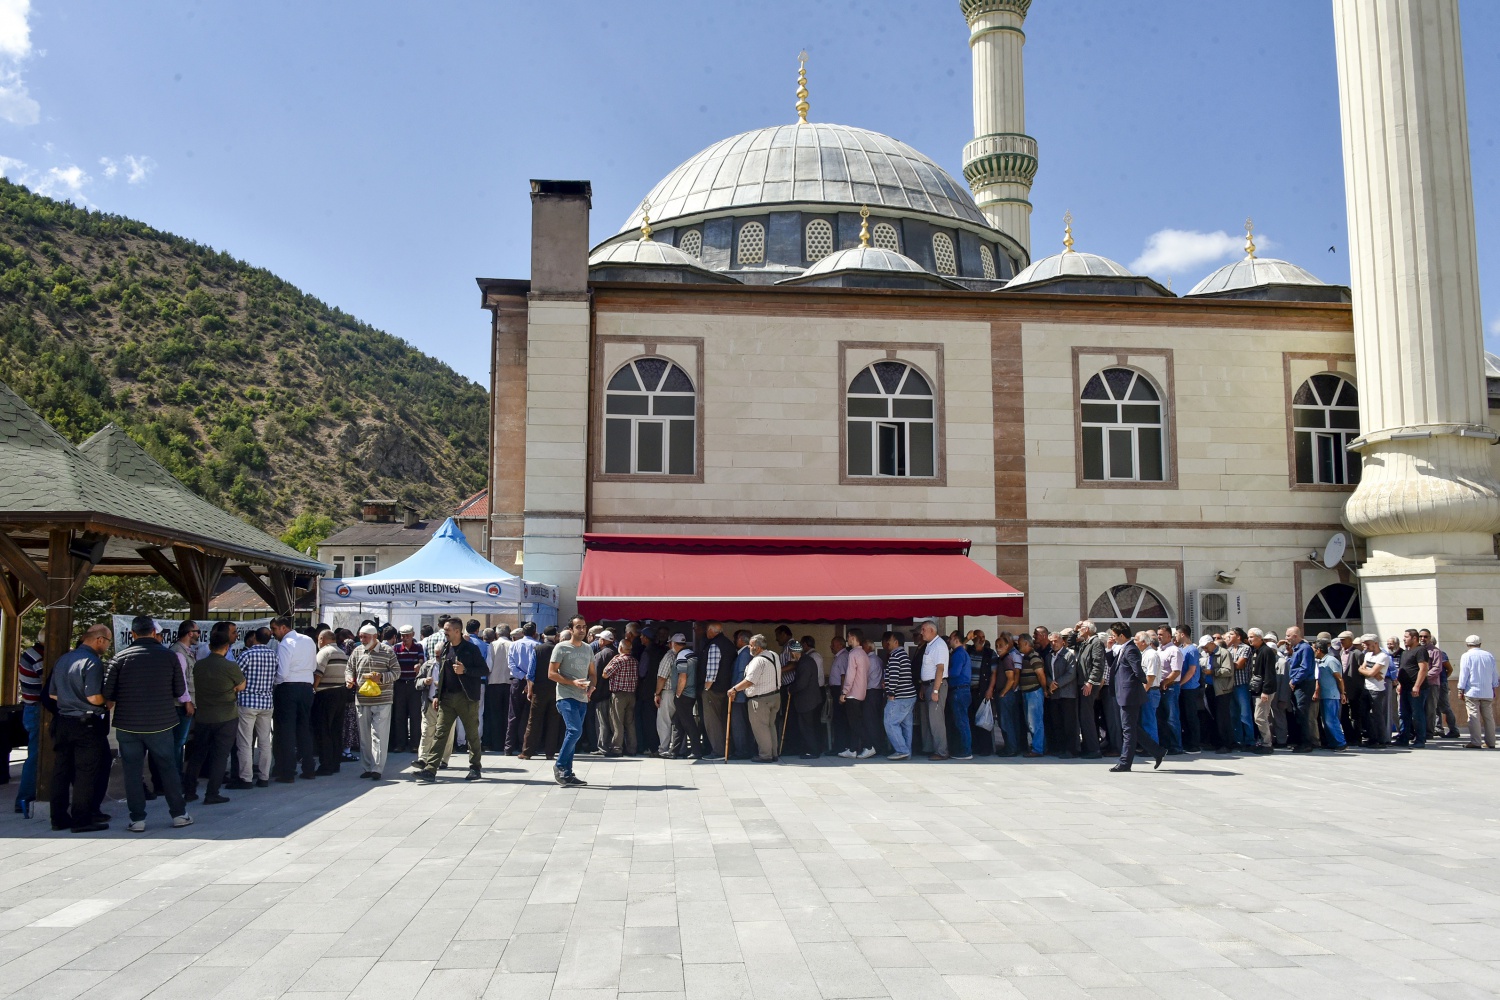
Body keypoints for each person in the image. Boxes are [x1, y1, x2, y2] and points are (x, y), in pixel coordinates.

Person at [104, 616, 193, 832]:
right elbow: (179, 691)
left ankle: (137, 819)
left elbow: (108, 694)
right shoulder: (169, 657)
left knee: (132, 773)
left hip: (127, 724)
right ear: (154, 632)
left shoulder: (119, 658)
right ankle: (179, 814)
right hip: (161, 722)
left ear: (133, 634)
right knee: (168, 768)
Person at [47, 624, 112, 833]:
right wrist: (106, 703)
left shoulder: (63, 659)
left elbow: (53, 695)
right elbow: (93, 696)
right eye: (108, 642)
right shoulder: (92, 662)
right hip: (86, 723)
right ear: (99, 639)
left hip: (63, 720)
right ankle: (81, 819)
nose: (107, 647)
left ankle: (57, 818)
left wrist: (70, 701)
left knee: (61, 771)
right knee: (86, 772)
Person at [415, 617, 489, 783]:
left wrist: (466, 670)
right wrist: (437, 696)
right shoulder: (446, 648)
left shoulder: (471, 649)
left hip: (467, 698)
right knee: (440, 734)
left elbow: (484, 670)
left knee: (471, 735)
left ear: (457, 631)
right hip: (447, 699)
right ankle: (430, 769)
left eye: (447, 630)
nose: (445, 633)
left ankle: (475, 768)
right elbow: (442, 675)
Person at [182, 621, 246, 805]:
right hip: (226, 716)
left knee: (198, 754)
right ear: (227, 646)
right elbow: (241, 685)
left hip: (203, 716)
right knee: (220, 756)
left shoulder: (199, 665)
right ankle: (212, 793)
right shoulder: (230, 667)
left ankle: (189, 790)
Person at [345, 623, 400, 779]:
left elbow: (396, 672)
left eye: (365, 637)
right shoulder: (357, 651)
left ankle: (377, 768)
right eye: (360, 636)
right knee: (365, 736)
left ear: (375, 637)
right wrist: (349, 679)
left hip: (382, 700)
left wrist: (381, 677)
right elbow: (349, 668)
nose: (361, 639)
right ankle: (367, 767)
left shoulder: (387, 651)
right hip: (362, 700)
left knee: (379, 735)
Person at [270, 616, 317, 782]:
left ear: (283, 628)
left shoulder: (285, 644)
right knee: (304, 729)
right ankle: (309, 768)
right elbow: (313, 665)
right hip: (306, 686)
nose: (273, 634)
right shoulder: (308, 640)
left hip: (288, 687)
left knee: (286, 731)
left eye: (275, 629)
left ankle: (287, 772)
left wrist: (274, 683)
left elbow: (282, 673)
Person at [227, 628, 276, 789]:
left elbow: (235, 676)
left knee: (245, 742)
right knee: (264, 742)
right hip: (266, 702)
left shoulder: (247, 655)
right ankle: (264, 777)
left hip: (247, 701)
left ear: (254, 637)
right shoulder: (273, 655)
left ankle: (246, 778)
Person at [1110, 624, 1163, 772]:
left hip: (1130, 695)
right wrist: (1109, 648)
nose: (1113, 638)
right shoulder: (1124, 649)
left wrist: (1143, 682)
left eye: (1114, 635)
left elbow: (1138, 670)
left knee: (1128, 729)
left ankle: (1125, 763)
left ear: (1121, 635)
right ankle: (1157, 751)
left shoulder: (1131, 649)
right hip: (1124, 694)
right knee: (1132, 728)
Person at [549, 627, 595, 785]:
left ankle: (567, 774)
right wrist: (572, 682)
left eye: (584, 626)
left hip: (582, 697)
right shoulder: (561, 647)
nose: (582, 629)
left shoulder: (588, 648)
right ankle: (560, 765)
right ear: (571, 629)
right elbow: (551, 673)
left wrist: (592, 687)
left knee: (573, 733)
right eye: (578, 627)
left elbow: (593, 673)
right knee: (575, 731)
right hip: (565, 695)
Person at [730, 635, 781, 762]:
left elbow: (749, 681)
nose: (749, 647)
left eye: (751, 645)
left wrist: (734, 689)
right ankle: (773, 753)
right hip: (775, 696)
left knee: (761, 728)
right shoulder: (774, 655)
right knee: (770, 726)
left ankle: (765, 755)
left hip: (761, 699)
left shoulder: (757, 660)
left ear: (758, 648)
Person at [521, 626, 563, 760]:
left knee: (533, 721)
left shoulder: (538, 650)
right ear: (556, 636)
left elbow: (531, 673)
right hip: (556, 689)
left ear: (543, 636)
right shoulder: (560, 649)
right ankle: (550, 752)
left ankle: (527, 752)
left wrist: (530, 690)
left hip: (539, 690)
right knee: (553, 721)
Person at [311, 630, 349, 775]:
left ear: (322, 639)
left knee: (323, 730)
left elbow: (318, 674)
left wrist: (313, 689)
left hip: (325, 694)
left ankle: (325, 765)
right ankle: (335, 763)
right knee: (336, 730)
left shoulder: (324, 653)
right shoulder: (342, 653)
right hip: (341, 692)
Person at [14, 635, 44, 817]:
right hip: (36, 709)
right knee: (35, 756)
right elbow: (50, 680)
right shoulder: (36, 657)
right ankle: (23, 799)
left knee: (35, 755)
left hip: (31, 707)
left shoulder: (32, 653)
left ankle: (25, 798)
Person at [666, 633, 706, 759]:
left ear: (674, 644)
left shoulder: (682, 656)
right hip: (691, 693)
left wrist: (678, 694)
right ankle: (674, 751)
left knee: (688, 723)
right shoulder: (691, 654)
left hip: (684, 694)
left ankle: (696, 751)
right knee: (678, 722)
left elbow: (682, 676)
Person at [837, 629, 874, 759]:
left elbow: (850, 675)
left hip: (853, 693)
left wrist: (844, 691)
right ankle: (853, 749)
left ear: (853, 637)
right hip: (862, 692)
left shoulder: (853, 654)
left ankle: (869, 746)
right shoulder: (864, 654)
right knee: (855, 722)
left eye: (848, 637)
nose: (847, 639)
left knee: (855, 724)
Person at [916, 620, 950, 761]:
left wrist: (935, 690)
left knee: (936, 720)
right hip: (928, 685)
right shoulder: (930, 645)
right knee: (930, 720)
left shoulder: (939, 645)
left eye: (923, 629)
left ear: (932, 630)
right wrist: (924, 687)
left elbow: (940, 669)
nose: (921, 632)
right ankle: (931, 748)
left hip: (937, 686)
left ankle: (942, 751)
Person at [1457, 635, 1498, 750]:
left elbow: (1464, 674)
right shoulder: (1488, 655)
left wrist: (1460, 688)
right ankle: (1491, 742)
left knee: (1473, 716)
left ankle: (1476, 741)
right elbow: (1494, 673)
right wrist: (1494, 687)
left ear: (1467, 644)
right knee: (1488, 717)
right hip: (1487, 691)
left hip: (1472, 691)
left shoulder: (1466, 656)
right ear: (1480, 644)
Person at [389, 625, 425, 754]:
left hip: (414, 684)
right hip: (400, 684)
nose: (405, 638)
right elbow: (392, 663)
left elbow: (422, 659)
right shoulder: (396, 648)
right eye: (403, 636)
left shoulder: (418, 647)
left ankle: (415, 744)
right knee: (400, 715)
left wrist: (419, 664)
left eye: (408, 635)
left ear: (413, 634)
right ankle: (400, 744)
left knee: (415, 715)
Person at [785, 640, 822, 759]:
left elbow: (802, 683)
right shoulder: (806, 660)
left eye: (791, 652)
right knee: (809, 726)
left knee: (807, 727)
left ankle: (812, 751)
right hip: (810, 699)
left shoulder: (804, 662)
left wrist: (791, 689)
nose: (790, 655)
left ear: (794, 652)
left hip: (807, 701)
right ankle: (811, 749)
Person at [602, 640, 639, 756]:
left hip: (619, 695)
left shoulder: (618, 661)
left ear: (621, 648)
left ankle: (617, 748)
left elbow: (605, 674)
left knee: (617, 722)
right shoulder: (635, 661)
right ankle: (632, 748)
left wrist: (612, 660)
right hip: (631, 695)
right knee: (630, 723)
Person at [506, 622, 538, 754]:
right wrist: (529, 679)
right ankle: (524, 746)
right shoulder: (538, 646)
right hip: (532, 683)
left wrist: (522, 676)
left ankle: (508, 747)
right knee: (529, 716)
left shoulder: (513, 645)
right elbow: (537, 666)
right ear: (535, 633)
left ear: (522, 633)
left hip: (517, 681)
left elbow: (511, 665)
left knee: (513, 715)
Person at [1075, 622, 1106, 759]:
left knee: (1087, 717)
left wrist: (1090, 682)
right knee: (1084, 717)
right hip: (1082, 683)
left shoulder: (1096, 643)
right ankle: (1088, 746)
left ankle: (1094, 749)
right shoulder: (1086, 642)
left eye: (1081, 629)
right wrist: (1075, 630)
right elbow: (1071, 642)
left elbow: (1098, 664)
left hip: (1088, 685)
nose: (1079, 631)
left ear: (1087, 629)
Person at [1047, 632, 1079, 758]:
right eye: (1051, 641)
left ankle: (1071, 750)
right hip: (1054, 694)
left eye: (1055, 641)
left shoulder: (1068, 655)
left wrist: (1057, 684)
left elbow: (1071, 673)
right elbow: (1046, 671)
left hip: (1067, 694)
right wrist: (1050, 683)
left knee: (1069, 723)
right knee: (1057, 722)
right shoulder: (1049, 656)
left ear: (1062, 642)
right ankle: (1060, 748)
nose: (1053, 644)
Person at [1312, 637, 1347, 751]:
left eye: (1314, 650)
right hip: (1324, 695)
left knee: (1331, 720)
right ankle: (1332, 742)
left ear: (1318, 650)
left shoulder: (1331, 660)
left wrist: (1342, 693)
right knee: (1326, 721)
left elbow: (1339, 679)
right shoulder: (1321, 661)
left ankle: (1341, 742)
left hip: (1332, 695)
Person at [1357, 635, 1392, 747]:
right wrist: (1370, 672)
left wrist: (1369, 671)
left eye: (1368, 644)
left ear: (1376, 643)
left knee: (1377, 715)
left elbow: (1371, 673)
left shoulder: (1383, 657)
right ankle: (1372, 737)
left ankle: (1381, 740)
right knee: (1364, 714)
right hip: (1366, 687)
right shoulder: (1367, 654)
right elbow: (1360, 669)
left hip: (1377, 689)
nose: (1366, 646)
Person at [1396, 628, 1429, 747]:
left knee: (1417, 714)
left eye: (1406, 637)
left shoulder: (1420, 650)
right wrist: (1400, 684)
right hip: (1405, 687)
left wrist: (1417, 686)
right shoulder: (1405, 652)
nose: (1404, 639)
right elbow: (1402, 669)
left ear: (1414, 638)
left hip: (1416, 689)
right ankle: (1404, 738)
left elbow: (1423, 669)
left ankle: (1420, 740)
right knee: (1404, 714)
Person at [1015, 634, 1047, 758]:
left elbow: (1041, 674)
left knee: (1035, 722)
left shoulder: (1034, 657)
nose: (1019, 646)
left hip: (1034, 692)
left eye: (1020, 643)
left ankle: (1038, 749)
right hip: (1027, 692)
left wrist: (1044, 689)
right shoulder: (1026, 657)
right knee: (1031, 722)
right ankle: (1038, 746)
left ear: (1027, 644)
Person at [1248, 628, 1278, 753]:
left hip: (1265, 690)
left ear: (1260, 638)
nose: (1250, 639)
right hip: (1258, 689)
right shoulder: (1257, 651)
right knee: (1260, 717)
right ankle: (1263, 742)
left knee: (1260, 717)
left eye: (1252, 637)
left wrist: (1265, 691)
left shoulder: (1266, 651)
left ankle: (1267, 744)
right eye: (1249, 637)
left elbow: (1269, 673)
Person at [728, 630, 756, 759]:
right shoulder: (746, 653)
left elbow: (741, 675)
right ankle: (744, 749)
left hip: (739, 696)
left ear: (740, 639)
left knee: (739, 724)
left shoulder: (744, 654)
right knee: (743, 723)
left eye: (735, 638)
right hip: (742, 695)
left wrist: (734, 690)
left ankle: (742, 751)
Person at [946, 631, 973, 760]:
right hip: (963, 690)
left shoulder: (958, 654)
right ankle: (964, 749)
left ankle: (965, 751)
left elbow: (955, 672)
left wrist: (942, 673)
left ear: (956, 640)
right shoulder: (962, 653)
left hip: (958, 690)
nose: (949, 641)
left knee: (961, 722)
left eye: (951, 638)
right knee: (962, 721)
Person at [1175, 627, 1202, 753]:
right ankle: (1186, 741)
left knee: (1191, 716)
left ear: (1182, 634)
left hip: (1190, 687)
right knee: (1184, 716)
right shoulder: (1180, 649)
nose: (1175, 636)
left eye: (1176, 634)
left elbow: (1191, 671)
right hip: (1182, 687)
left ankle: (1195, 744)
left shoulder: (1192, 650)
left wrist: (1180, 683)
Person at [1155, 627, 1182, 754]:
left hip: (1170, 687)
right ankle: (1165, 744)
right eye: (1158, 634)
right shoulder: (1159, 650)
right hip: (1159, 687)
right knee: (1161, 718)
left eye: (1161, 634)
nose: (1159, 637)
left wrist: (1165, 682)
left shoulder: (1174, 650)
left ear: (1169, 636)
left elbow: (1176, 671)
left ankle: (1176, 746)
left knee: (1172, 718)